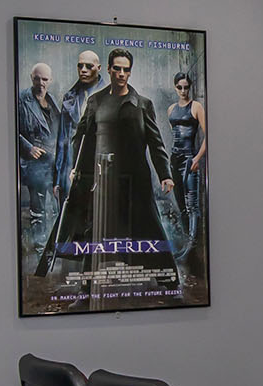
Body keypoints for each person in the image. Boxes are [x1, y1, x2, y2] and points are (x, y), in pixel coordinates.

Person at [43, 48, 174, 266]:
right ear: (110, 70)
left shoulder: (143, 104)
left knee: (148, 229)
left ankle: (169, 282)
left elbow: (156, 143)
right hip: (102, 178)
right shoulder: (95, 102)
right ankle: (87, 288)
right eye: (117, 69)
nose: (121, 74)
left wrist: (165, 174)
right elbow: (81, 137)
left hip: (135, 178)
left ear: (130, 73)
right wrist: (77, 168)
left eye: (126, 70)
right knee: (95, 230)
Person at [16, 62, 60, 233]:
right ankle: (40, 252)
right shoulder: (20, 99)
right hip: (35, 165)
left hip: (53, 163)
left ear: (50, 80)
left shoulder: (52, 100)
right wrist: (28, 148)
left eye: (45, 79)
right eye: (37, 79)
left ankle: (54, 253)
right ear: (31, 79)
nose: (41, 83)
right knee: (38, 214)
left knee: (58, 210)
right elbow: (11, 130)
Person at [168, 71, 206, 266]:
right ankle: (186, 245)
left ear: (189, 87)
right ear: (175, 87)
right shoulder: (171, 109)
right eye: (179, 87)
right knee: (181, 205)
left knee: (192, 205)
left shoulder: (197, 107)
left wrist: (198, 157)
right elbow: (174, 135)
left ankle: (193, 246)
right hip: (175, 159)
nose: (183, 90)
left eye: (186, 87)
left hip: (190, 159)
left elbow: (210, 135)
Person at [53, 50, 102, 196]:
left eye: (89, 66)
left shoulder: (111, 95)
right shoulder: (70, 97)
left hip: (99, 165)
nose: (83, 70)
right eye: (80, 66)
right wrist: (58, 179)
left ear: (98, 68)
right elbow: (62, 140)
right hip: (72, 166)